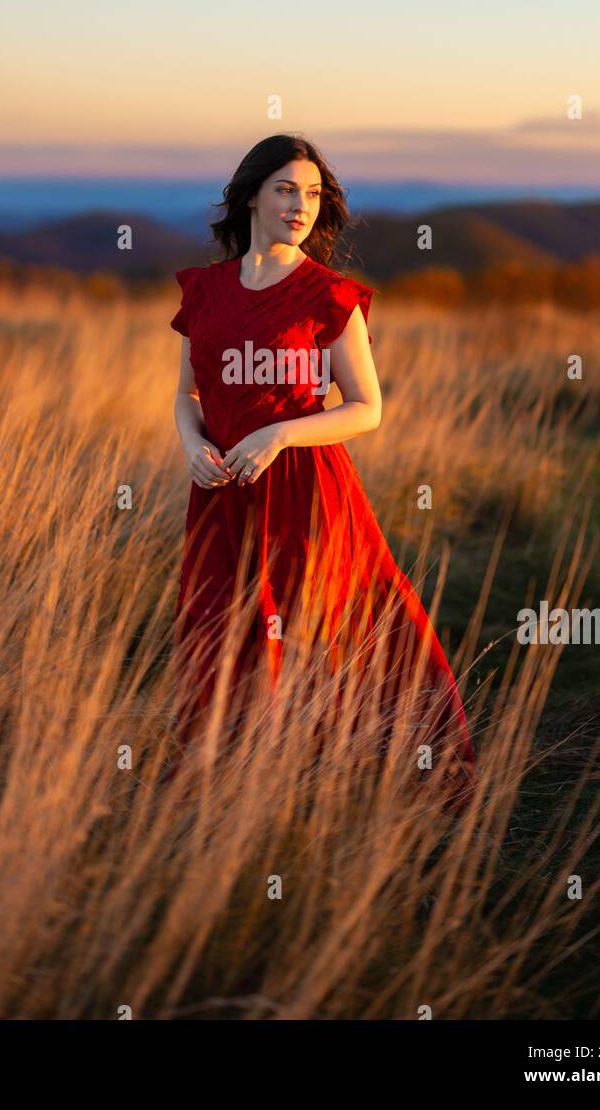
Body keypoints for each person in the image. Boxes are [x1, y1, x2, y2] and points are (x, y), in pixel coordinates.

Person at [169, 133, 476, 801]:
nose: (299, 204)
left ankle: (329, 781)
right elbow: (188, 395)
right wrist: (192, 445)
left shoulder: (328, 295)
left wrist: (279, 433)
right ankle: (227, 784)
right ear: (250, 195)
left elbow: (367, 408)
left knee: (312, 635)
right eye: (285, 188)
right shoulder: (205, 291)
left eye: (311, 194)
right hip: (220, 491)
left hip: (306, 492)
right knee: (220, 630)